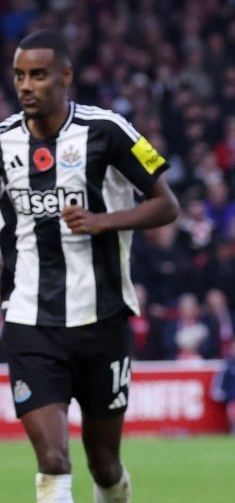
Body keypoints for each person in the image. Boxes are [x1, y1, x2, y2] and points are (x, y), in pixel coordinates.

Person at [0, 30, 179, 503]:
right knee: (53, 460)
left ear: (66, 76)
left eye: (38, 75)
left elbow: (167, 205)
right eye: (19, 75)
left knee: (104, 465)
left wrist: (102, 221)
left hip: (103, 321)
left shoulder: (108, 130)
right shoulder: (3, 143)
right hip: (31, 323)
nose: (26, 85)